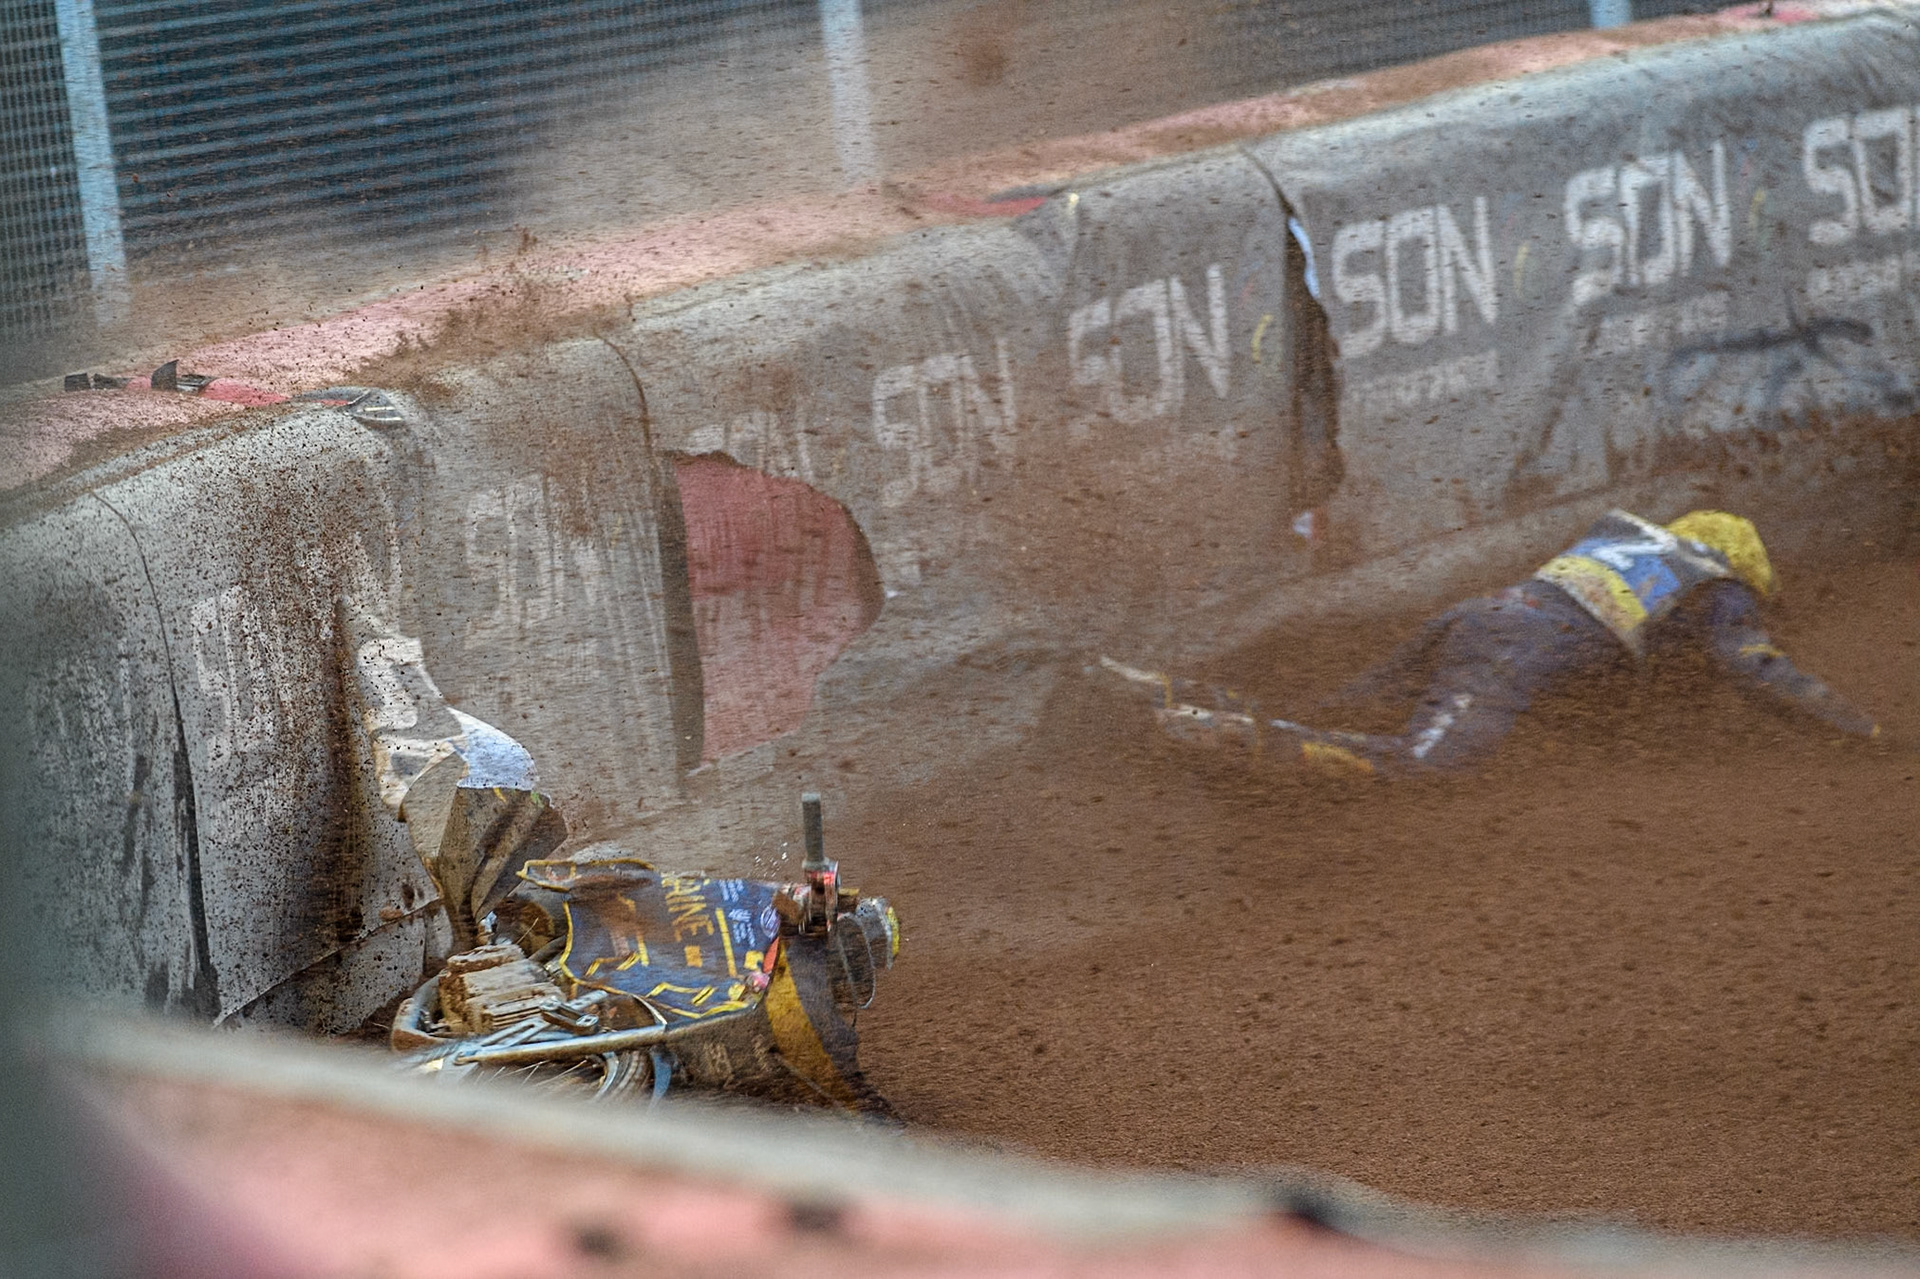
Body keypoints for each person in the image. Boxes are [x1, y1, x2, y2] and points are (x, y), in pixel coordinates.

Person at [1099, 509, 1883, 777]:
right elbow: (1749, 666)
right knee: (1425, 765)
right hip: (1512, 648)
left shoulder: (1627, 538)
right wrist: (1859, 729)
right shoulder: (1717, 584)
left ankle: (1152, 688)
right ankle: (1225, 737)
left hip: (1480, 614)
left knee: (1340, 705)